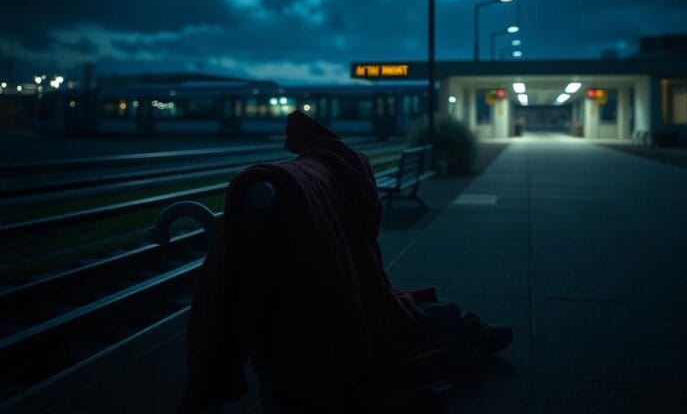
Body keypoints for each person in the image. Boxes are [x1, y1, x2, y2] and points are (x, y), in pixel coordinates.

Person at [179, 111, 512, 414]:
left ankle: (468, 334)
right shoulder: (340, 172)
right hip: (339, 313)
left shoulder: (299, 201)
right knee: (422, 317)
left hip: (327, 309)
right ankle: (469, 334)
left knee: (422, 314)